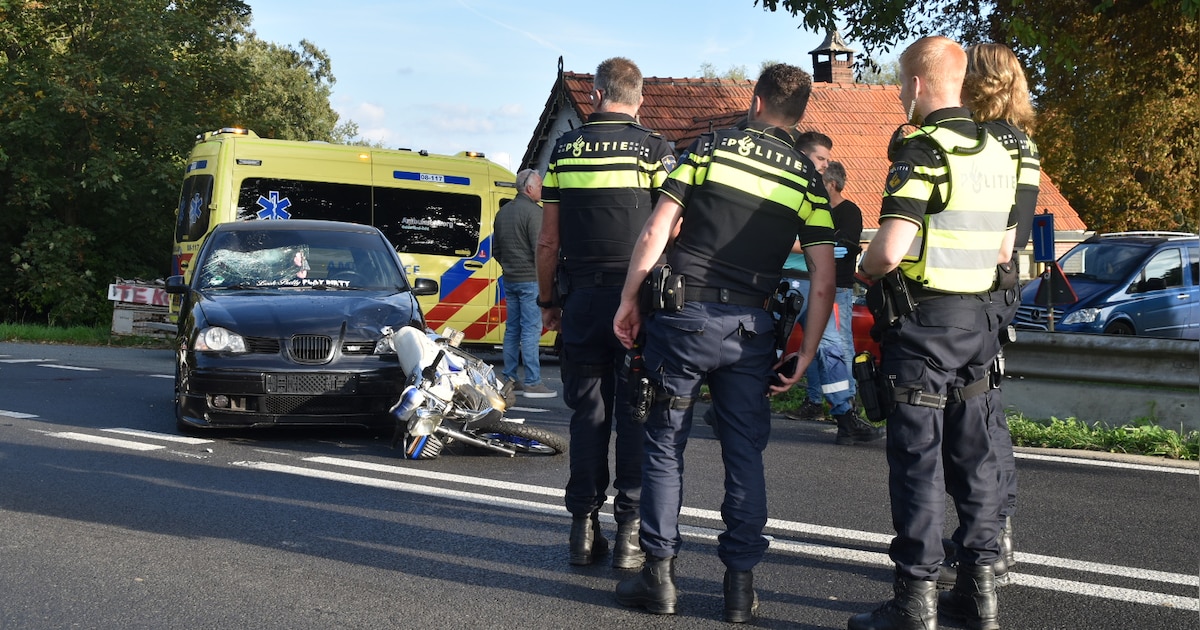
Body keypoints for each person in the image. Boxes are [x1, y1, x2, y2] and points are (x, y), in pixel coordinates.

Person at [612, 63, 836, 623]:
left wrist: (629, 299)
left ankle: (659, 579)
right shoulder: (808, 181)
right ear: (799, 113)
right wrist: (806, 352)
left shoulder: (712, 148)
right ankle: (739, 590)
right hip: (750, 331)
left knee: (665, 444)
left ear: (756, 101)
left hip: (683, 318)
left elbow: (657, 227)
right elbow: (824, 276)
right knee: (745, 455)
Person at [846, 36, 1017, 630]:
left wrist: (861, 269)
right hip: (981, 324)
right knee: (976, 460)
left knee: (919, 465)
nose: (897, 94)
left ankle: (914, 602)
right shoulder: (998, 151)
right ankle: (979, 594)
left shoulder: (922, 151)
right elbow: (1002, 246)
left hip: (925, 329)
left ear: (918, 85)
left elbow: (889, 250)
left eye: (899, 83)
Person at [536, 57, 676, 571]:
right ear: (639, 99)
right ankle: (631, 536)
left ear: (595, 95)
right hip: (639, 301)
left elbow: (548, 240)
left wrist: (549, 303)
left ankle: (582, 529)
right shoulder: (657, 151)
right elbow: (671, 229)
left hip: (582, 302)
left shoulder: (565, 151)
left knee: (588, 415)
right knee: (638, 412)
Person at [937, 41, 1042, 590]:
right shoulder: (1024, 144)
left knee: (965, 418)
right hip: (1006, 289)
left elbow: (1002, 238)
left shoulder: (968, 142)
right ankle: (995, 532)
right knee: (986, 408)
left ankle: (982, 537)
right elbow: (1019, 237)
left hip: (965, 290)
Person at [818, 161, 879, 444]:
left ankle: (849, 405)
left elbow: (842, 246)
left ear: (832, 184)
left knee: (839, 346)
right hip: (818, 282)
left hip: (838, 286)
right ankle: (836, 407)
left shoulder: (849, 211)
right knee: (829, 348)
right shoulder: (816, 209)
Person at [781, 131, 835, 423]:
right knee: (773, 346)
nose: (826, 164)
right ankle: (734, 407)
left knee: (828, 348)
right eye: (820, 158)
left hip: (812, 281)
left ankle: (842, 412)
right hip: (787, 280)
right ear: (802, 155)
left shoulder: (818, 190)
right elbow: (780, 236)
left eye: (827, 159)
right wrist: (819, 245)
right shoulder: (785, 184)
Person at [493, 169, 556, 398]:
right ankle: (533, 382)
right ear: (529, 188)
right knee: (530, 330)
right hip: (531, 280)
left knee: (512, 330)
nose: (541, 190)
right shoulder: (534, 214)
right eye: (540, 186)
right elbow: (540, 250)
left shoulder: (503, 213)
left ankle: (510, 379)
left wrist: (509, 266)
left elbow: (496, 250)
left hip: (510, 279)